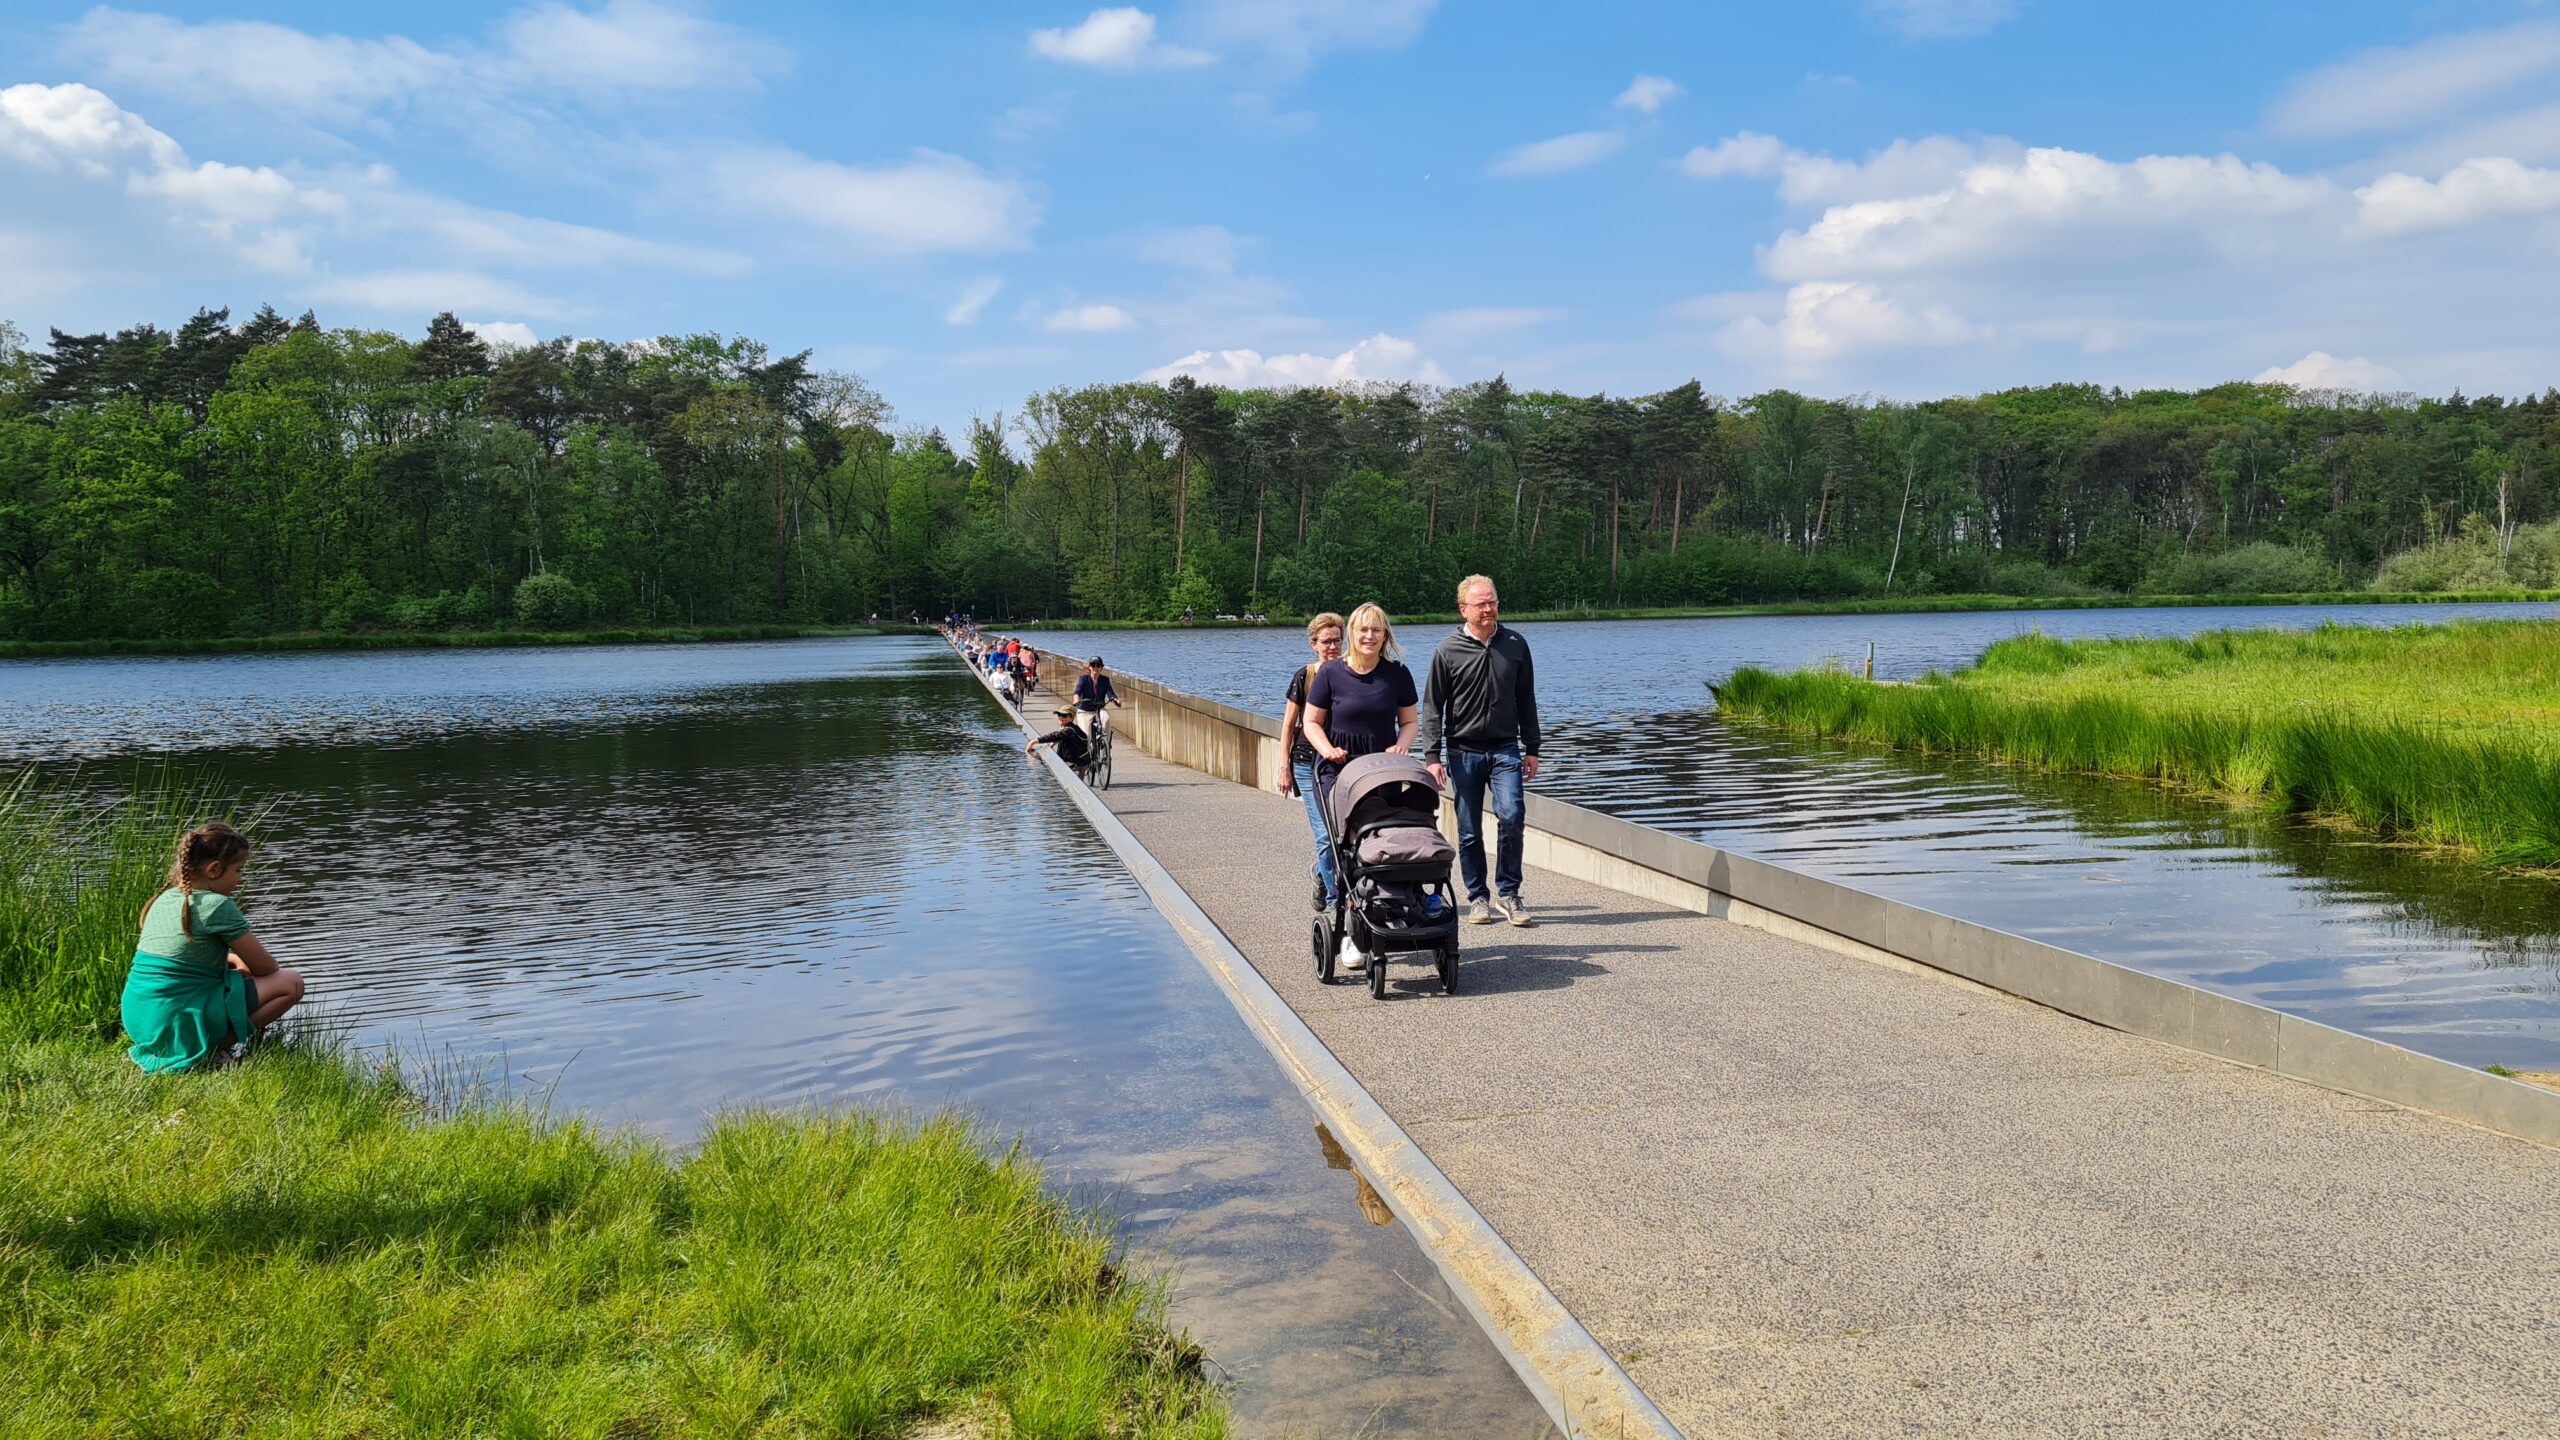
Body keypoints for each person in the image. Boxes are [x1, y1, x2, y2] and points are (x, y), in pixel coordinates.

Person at [120, 822, 306, 1073]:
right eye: (238, 870)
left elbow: (180, 960)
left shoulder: (164, 898)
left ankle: (199, 1044)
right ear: (214, 869)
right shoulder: (217, 905)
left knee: (236, 976)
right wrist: (240, 962)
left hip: (140, 1019)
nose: (240, 880)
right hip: (176, 1020)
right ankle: (209, 1050)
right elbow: (266, 968)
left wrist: (233, 960)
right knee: (291, 983)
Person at [1418, 574, 1542, 927]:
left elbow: (1526, 699)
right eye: (1481, 603)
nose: (1489, 609)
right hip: (1463, 750)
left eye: (1493, 602)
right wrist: (1432, 757)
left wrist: (1532, 746)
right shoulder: (1447, 650)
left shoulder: (1515, 644)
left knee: (1512, 814)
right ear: (1464, 609)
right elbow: (1432, 708)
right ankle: (1478, 897)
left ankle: (1509, 893)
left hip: (1506, 748)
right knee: (1469, 830)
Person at [1277, 611, 1348, 911]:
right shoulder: (1305, 677)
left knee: (1344, 833)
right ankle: (1335, 900)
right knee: (1325, 833)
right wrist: (1284, 768)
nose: (1333, 647)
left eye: (1337, 641)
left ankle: (1321, 873)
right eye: (1326, 641)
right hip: (1307, 763)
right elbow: (1288, 725)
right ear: (1313, 644)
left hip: (1342, 762)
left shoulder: (1349, 673)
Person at [1026, 702, 1093, 775]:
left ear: (1071, 717)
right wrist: (1054, 743)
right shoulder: (1072, 727)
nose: (1061, 718)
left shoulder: (1069, 730)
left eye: (1064, 716)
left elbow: (1056, 735)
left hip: (1076, 762)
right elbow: (1061, 736)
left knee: (1054, 772)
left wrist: (1035, 741)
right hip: (1081, 760)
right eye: (1059, 715)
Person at [1073, 657, 1122, 739]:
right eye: (1093, 665)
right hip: (1085, 710)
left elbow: (1110, 693)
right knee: (1086, 735)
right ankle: (1088, 749)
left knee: (1106, 720)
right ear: (1089, 667)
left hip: (1099, 708)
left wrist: (1115, 699)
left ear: (1101, 668)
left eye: (1098, 665)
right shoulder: (1084, 679)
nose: (1095, 668)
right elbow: (1078, 691)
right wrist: (1076, 699)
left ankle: (1106, 742)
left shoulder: (1105, 680)